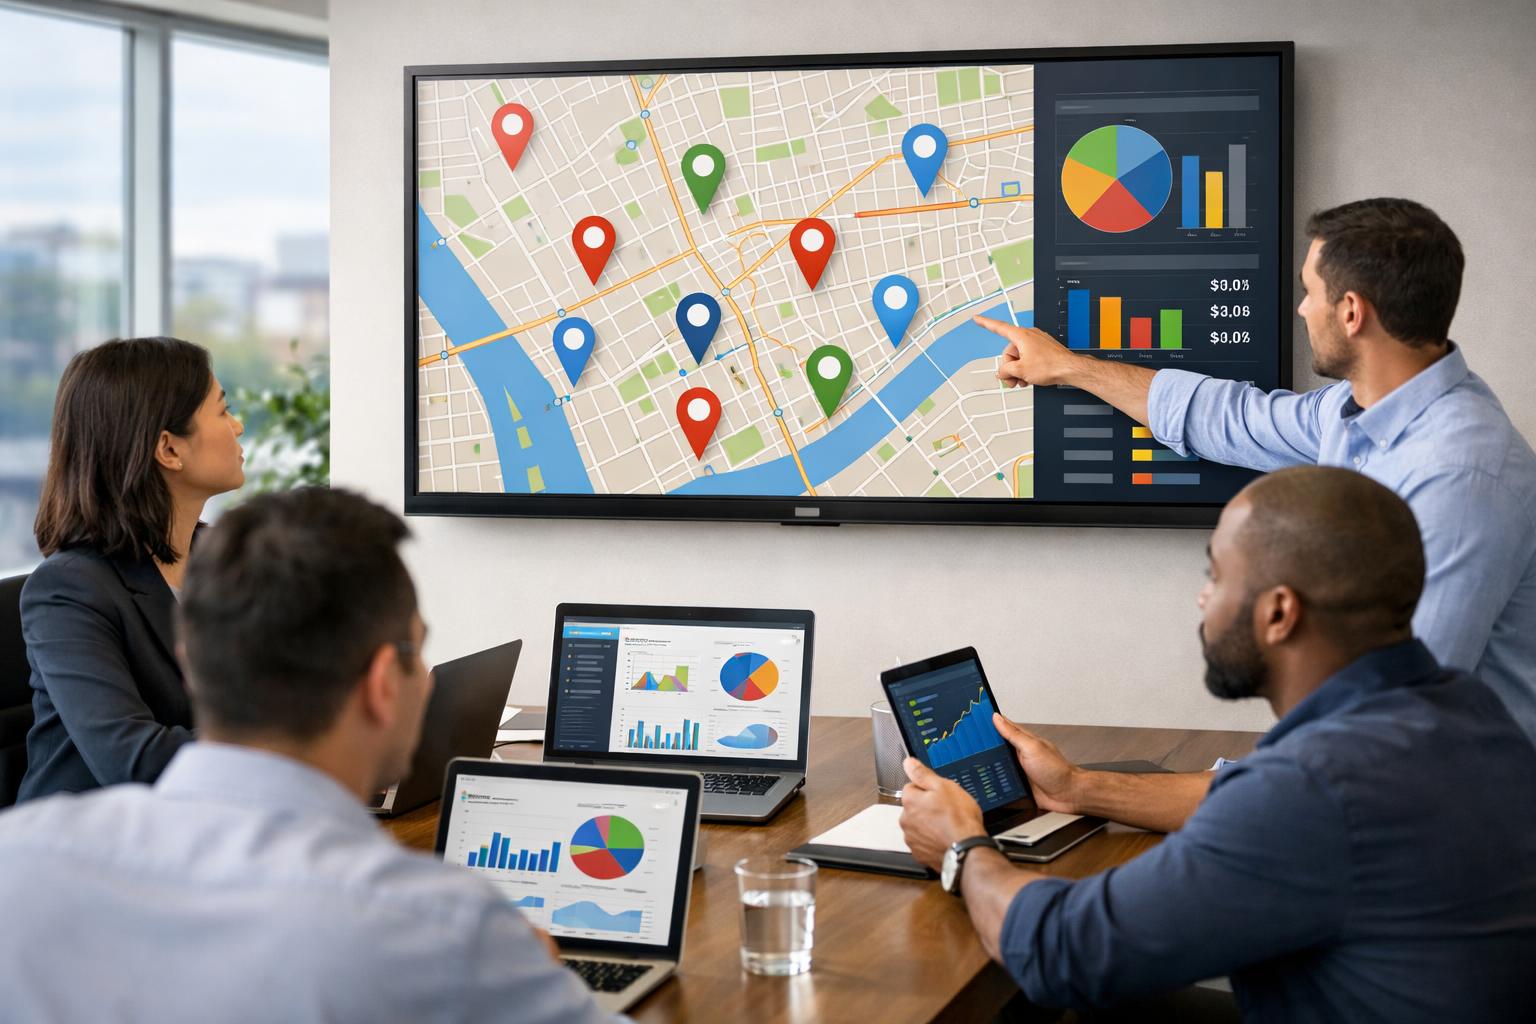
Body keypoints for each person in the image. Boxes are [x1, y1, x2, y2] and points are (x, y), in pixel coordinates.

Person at [899, 466, 1536, 1021]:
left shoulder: (1311, 787)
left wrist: (962, 847)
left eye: (1217, 574)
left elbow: (1063, 952)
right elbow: (1254, 802)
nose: (1203, 596)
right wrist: (1081, 787)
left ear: (1279, 613)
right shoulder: (1462, 708)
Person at [0, 487, 617, 1023]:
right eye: (417, 652)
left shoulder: (18, 863)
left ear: (193, 660)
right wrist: (531, 975)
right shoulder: (445, 932)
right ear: (383, 685)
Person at [977, 198, 1536, 743]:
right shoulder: (1358, 410)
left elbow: (1392, 712)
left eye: (1308, 292)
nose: (1299, 309)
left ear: (1350, 312)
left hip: (1450, 810)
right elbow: (1232, 417)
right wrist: (1070, 367)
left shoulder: (1461, 479)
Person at [17, 336, 245, 801]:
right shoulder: (68, 590)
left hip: (207, 827)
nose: (238, 426)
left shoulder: (228, 556)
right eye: (222, 411)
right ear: (168, 449)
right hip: (85, 853)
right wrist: (293, 757)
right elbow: (133, 759)